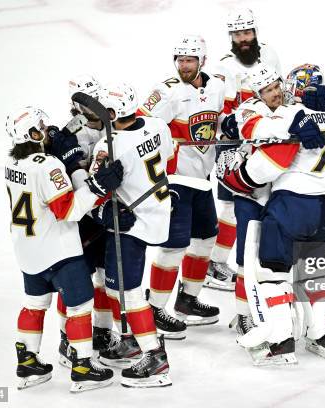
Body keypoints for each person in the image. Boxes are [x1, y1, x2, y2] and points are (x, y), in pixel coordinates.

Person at [217, 63, 325, 365]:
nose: (280, 92)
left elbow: (268, 165)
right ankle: (323, 336)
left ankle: (280, 343)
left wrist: (240, 179)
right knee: (315, 272)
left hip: (291, 207)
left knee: (272, 273)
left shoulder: (291, 116)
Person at [5, 106, 123, 391]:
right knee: (80, 306)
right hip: (58, 251)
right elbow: (68, 210)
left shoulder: (12, 164)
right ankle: (82, 367)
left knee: (34, 304)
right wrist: (96, 187)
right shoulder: (48, 166)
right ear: (32, 133)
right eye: (42, 128)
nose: (47, 131)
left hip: (27, 250)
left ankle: (28, 364)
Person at [136, 35, 225, 340]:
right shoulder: (166, 92)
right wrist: (164, 142)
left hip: (201, 179)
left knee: (206, 238)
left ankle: (188, 298)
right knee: (174, 246)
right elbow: (138, 124)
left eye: (190, 60)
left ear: (202, 60)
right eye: (180, 60)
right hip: (174, 181)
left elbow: (218, 121)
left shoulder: (216, 86)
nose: (184, 66)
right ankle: (155, 309)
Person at [90, 82, 174, 387]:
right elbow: (168, 155)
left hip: (129, 221)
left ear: (113, 112)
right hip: (158, 209)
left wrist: (99, 212)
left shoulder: (108, 146)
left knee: (127, 291)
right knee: (120, 286)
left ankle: (154, 357)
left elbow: (96, 190)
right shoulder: (156, 124)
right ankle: (130, 339)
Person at [206, 7, 283, 292]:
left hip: (265, 138)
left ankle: (256, 257)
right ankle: (216, 262)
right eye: (238, 34)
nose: (243, 39)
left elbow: (279, 91)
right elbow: (222, 112)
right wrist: (234, 127)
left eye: (247, 32)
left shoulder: (270, 54)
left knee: (263, 198)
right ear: (231, 37)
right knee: (230, 206)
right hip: (233, 142)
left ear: (255, 32)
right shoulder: (224, 66)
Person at [55, 74, 117, 368]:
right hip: (79, 218)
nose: (94, 106)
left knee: (104, 277)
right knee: (75, 283)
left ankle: (102, 332)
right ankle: (67, 338)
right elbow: (78, 180)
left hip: (103, 213)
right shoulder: (71, 136)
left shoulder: (109, 125)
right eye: (86, 102)